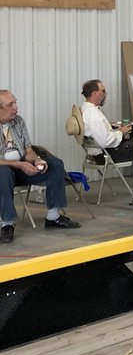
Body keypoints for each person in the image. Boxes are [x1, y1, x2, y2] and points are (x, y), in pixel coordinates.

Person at [0, 90, 79, 242]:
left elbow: (28, 150)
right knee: (2, 173)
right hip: (4, 171)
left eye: (16, 102)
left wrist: (37, 160)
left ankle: (53, 217)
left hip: (22, 168)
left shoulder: (18, 121)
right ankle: (7, 225)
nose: (16, 107)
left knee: (55, 164)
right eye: (11, 105)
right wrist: (18, 164)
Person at [80, 79, 133, 162]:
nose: (105, 94)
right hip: (108, 154)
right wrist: (121, 132)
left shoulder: (86, 109)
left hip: (105, 150)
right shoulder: (93, 114)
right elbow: (105, 141)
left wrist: (112, 127)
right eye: (103, 91)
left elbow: (98, 132)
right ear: (94, 93)